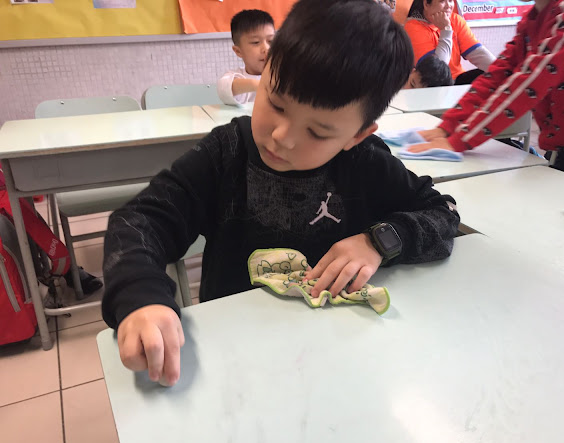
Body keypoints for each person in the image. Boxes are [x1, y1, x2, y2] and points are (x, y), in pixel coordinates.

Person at [102, 0, 461, 386]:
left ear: (356, 136)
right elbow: (140, 221)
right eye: (275, 103)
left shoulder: (364, 162)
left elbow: (442, 212)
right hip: (238, 355)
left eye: (317, 132)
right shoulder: (226, 153)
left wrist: (378, 242)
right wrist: (141, 295)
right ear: (266, 70)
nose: (282, 137)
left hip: (342, 356)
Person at [409, 0, 564, 185]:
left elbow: (527, 86)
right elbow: (496, 77)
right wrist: (448, 127)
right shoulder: (534, 19)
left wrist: (459, 140)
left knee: (562, 217)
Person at [404, 0, 496, 85]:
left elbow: (478, 54)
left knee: (492, 74)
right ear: (426, 4)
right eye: (442, 1)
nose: (448, 5)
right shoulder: (412, 27)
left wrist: (501, 70)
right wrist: (445, 30)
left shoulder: (456, 20)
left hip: (457, 80)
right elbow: (437, 72)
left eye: (451, 1)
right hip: (433, 86)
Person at [217, 10, 275, 106]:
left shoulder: (284, 74)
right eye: (256, 42)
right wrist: (256, 85)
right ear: (238, 51)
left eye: (271, 41)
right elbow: (224, 87)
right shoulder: (237, 76)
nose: (266, 49)